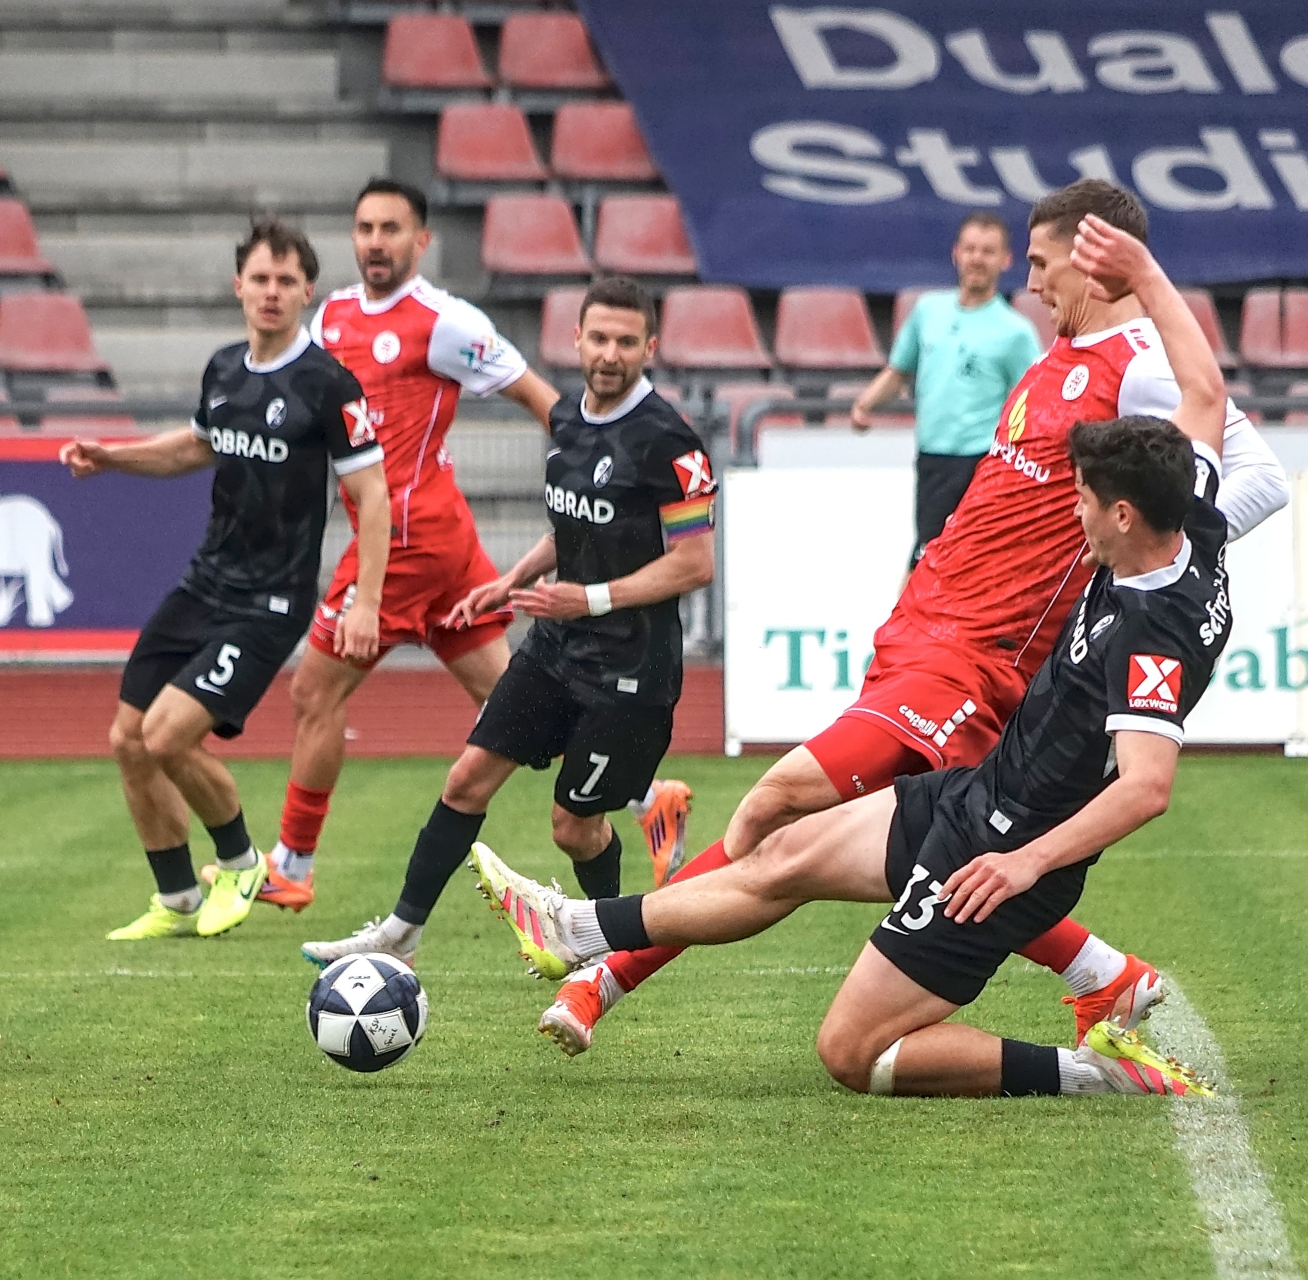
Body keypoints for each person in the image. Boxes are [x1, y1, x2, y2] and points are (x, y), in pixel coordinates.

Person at [473, 218, 1229, 1097]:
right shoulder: (1191, 517)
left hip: (1000, 836)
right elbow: (1204, 392)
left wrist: (1023, 862)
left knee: (847, 1046)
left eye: (1085, 503)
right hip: (969, 790)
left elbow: (1147, 785)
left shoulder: (1152, 628)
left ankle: (1103, 1070)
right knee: (785, 852)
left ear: (1126, 514)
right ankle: (579, 934)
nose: (1075, 516)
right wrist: (1145, 268)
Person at [238, 179, 700, 913]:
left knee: (314, 691)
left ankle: (293, 862)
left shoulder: (445, 321)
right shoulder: (331, 318)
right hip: (431, 540)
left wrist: (600, 466)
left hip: (409, 539)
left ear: (421, 240)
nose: (376, 241)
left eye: (392, 228)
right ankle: (649, 798)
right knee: (504, 701)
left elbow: (531, 390)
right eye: (365, 227)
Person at [301, 276, 715, 966]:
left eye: (625, 341)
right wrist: (510, 581)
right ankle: (400, 936)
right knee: (465, 778)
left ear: (650, 346)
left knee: (573, 827)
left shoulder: (671, 443)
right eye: (598, 338)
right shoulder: (567, 423)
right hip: (556, 647)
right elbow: (573, 532)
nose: (609, 354)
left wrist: (590, 598)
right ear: (576, 339)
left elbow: (695, 564)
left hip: (631, 671)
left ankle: (601, 951)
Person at [61, 219, 391, 942]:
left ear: (307, 291)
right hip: (204, 583)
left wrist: (366, 601)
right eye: (259, 279)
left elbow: (372, 494)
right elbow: (196, 448)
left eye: (285, 281)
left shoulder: (329, 384)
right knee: (126, 739)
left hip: (269, 602)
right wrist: (112, 457)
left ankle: (242, 864)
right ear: (238, 285)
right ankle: (177, 897)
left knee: (169, 734)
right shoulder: (224, 369)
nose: (271, 293)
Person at [850, 210, 1044, 566]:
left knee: (978, 562)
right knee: (928, 559)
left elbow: (1033, 400)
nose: (977, 259)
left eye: (987, 251)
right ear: (956, 253)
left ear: (1005, 260)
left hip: (984, 461)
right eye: (970, 249)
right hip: (934, 459)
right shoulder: (928, 311)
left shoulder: (1015, 332)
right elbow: (899, 371)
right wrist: (865, 404)